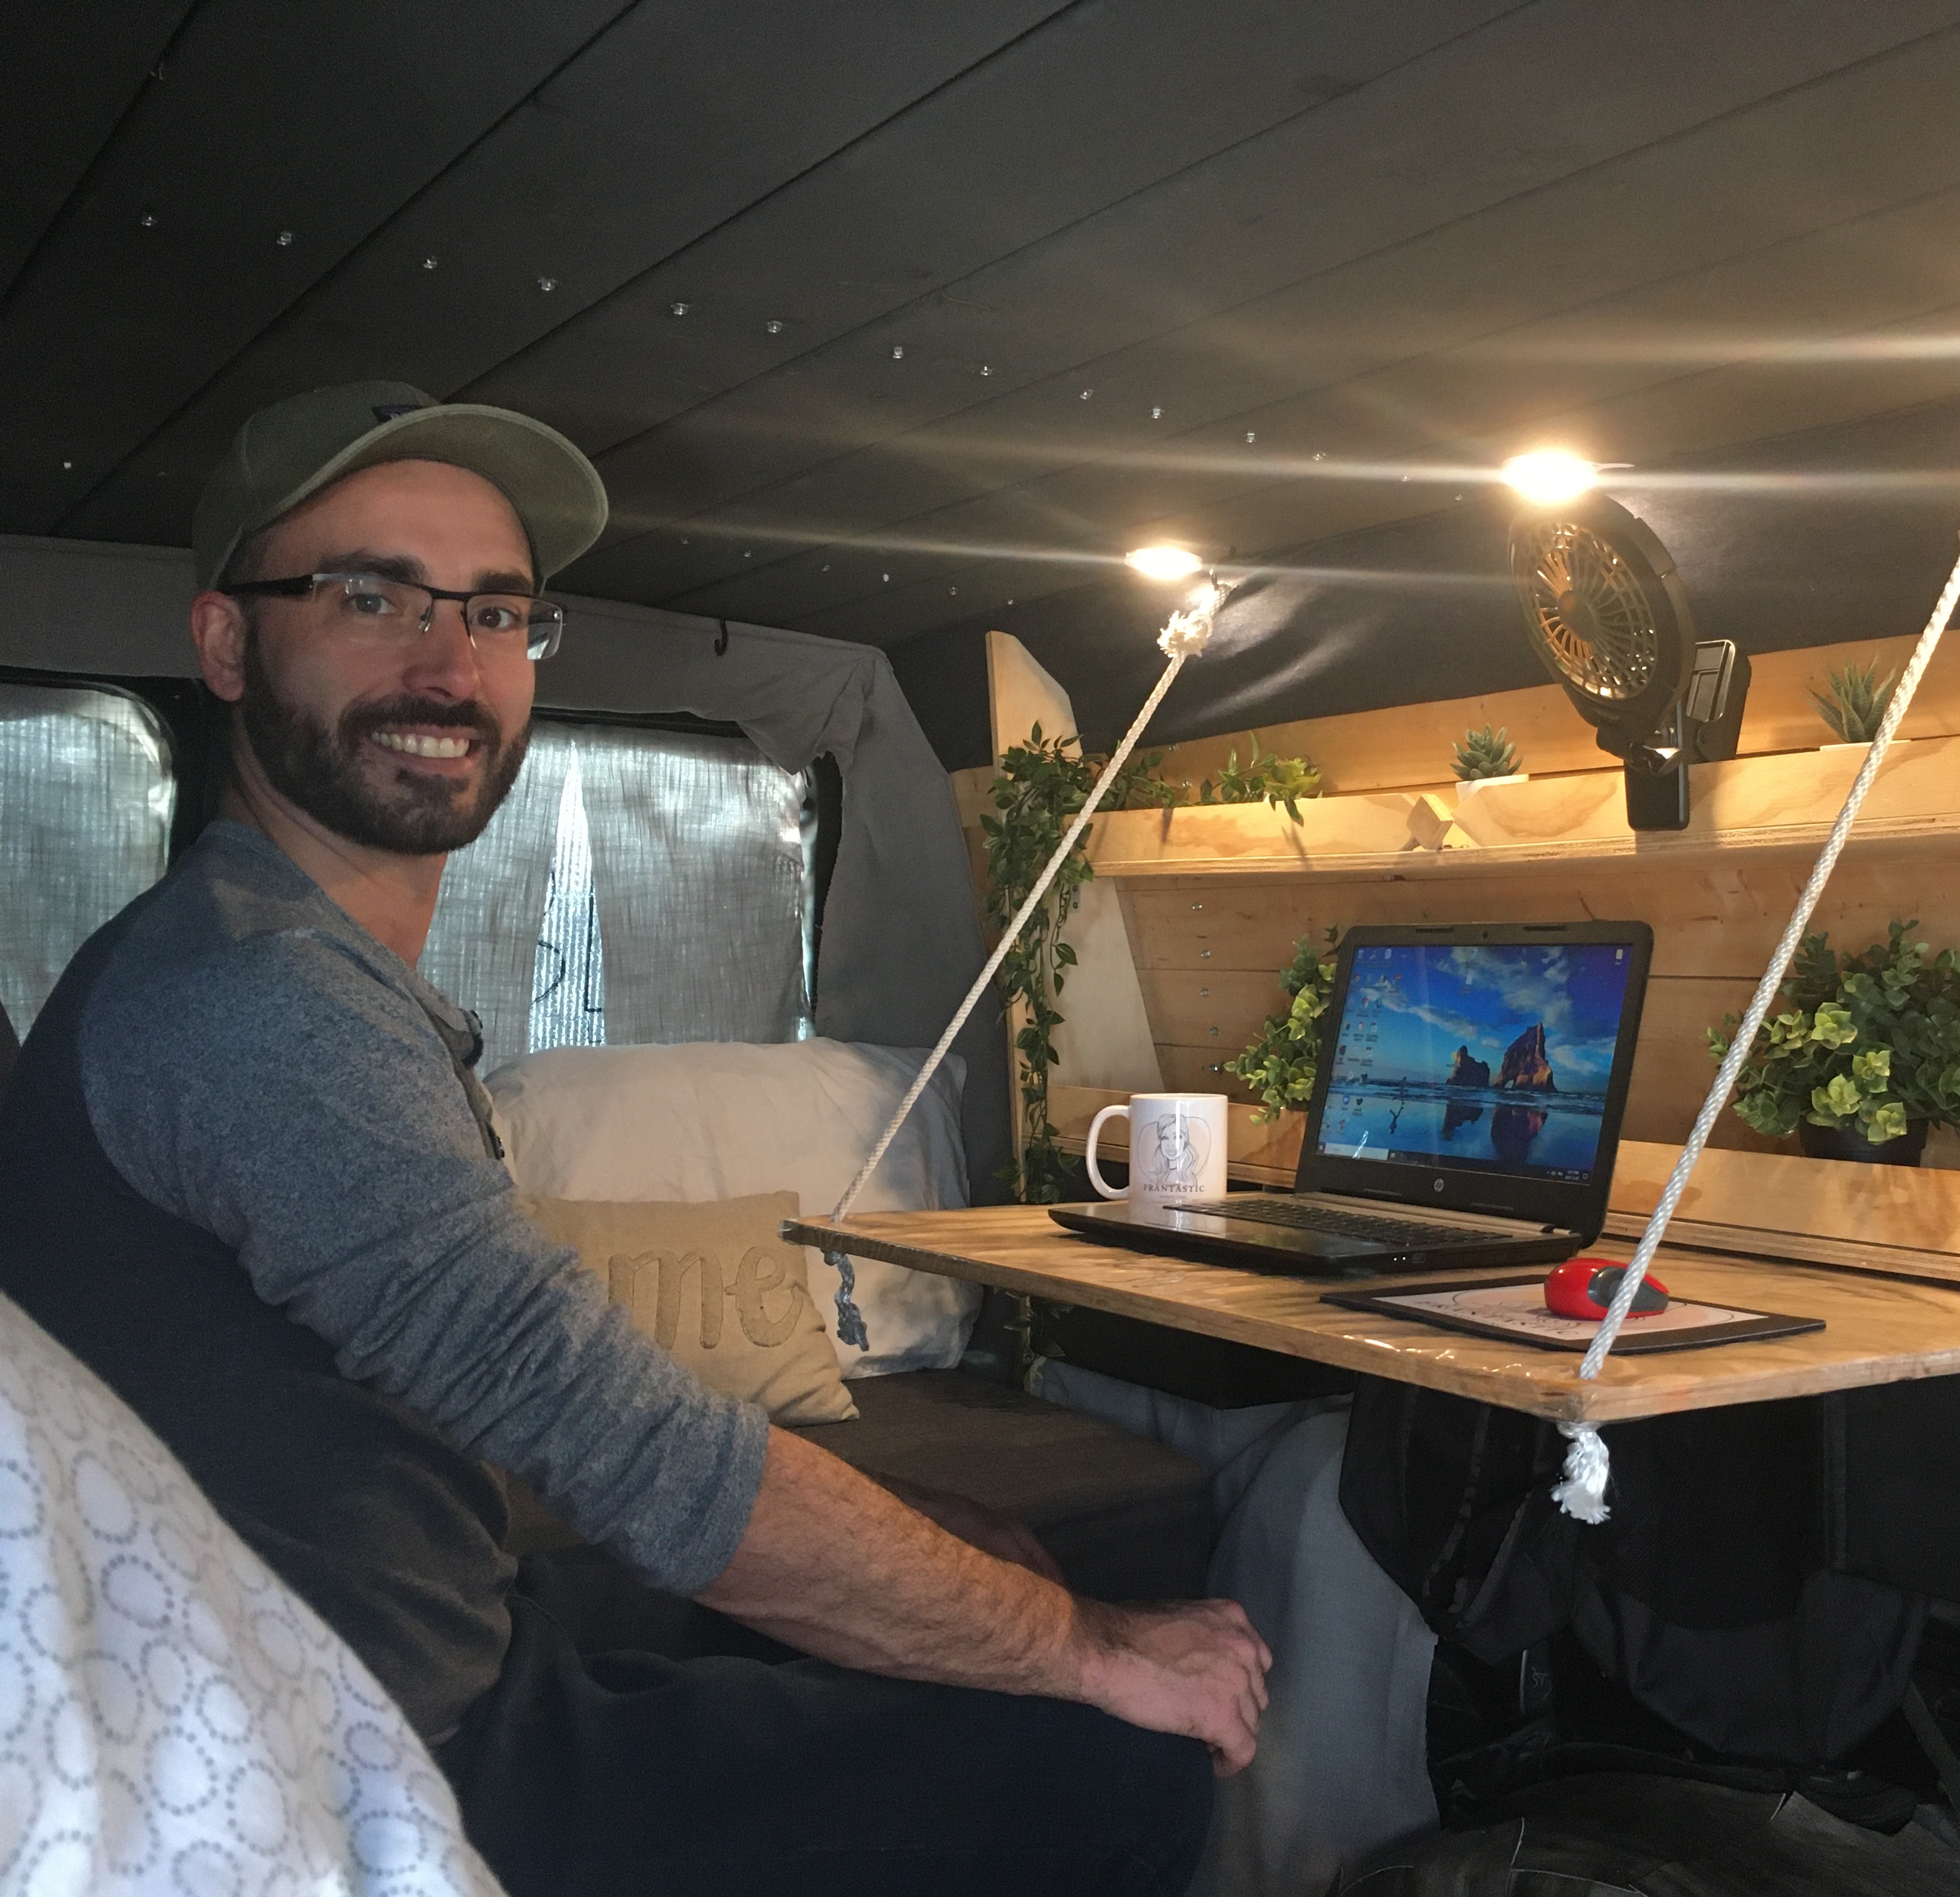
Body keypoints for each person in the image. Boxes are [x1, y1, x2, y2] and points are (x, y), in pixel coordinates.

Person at [0, 382, 1266, 1897]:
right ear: (225, 645)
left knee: (987, 1556)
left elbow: (546, 1405)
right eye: (368, 597)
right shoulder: (256, 1001)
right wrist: (1094, 1651)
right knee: (1110, 1755)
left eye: (493, 611)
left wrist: (940, 1547)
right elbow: (609, 1433)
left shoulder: (298, 967)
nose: (446, 664)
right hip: (373, 1758)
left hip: (433, 1638)